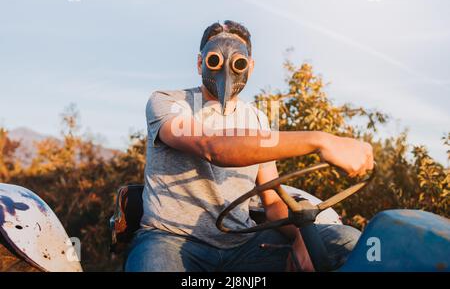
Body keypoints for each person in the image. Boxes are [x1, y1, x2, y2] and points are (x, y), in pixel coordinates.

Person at [125, 20, 373, 272]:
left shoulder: (258, 119)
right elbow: (213, 147)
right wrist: (321, 140)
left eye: (238, 61)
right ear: (201, 63)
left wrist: (302, 234)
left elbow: (273, 201)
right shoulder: (169, 102)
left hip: (244, 246)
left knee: (346, 242)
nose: (226, 68)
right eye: (215, 59)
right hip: (170, 239)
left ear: (249, 66)